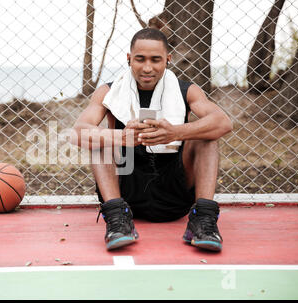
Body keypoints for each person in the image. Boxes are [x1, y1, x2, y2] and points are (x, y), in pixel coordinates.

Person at [71, 28, 233, 252]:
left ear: (168, 59)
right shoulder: (109, 91)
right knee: (98, 139)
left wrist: (175, 132)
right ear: (129, 59)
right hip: (126, 190)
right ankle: (117, 221)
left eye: (156, 60)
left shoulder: (187, 90)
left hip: (174, 190)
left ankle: (203, 220)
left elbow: (223, 122)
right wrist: (121, 136)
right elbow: (78, 132)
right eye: (140, 59)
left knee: (207, 136)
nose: (148, 67)